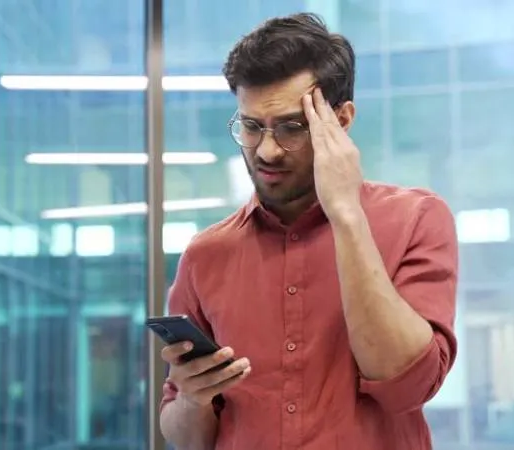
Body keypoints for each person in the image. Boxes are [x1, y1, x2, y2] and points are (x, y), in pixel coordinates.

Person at [157, 12, 459, 450]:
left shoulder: (417, 219)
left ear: (342, 119)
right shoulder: (206, 254)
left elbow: (406, 388)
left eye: (291, 127)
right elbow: (187, 440)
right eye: (251, 126)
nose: (267, 150)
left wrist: (347, 216)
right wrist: (191, 398)